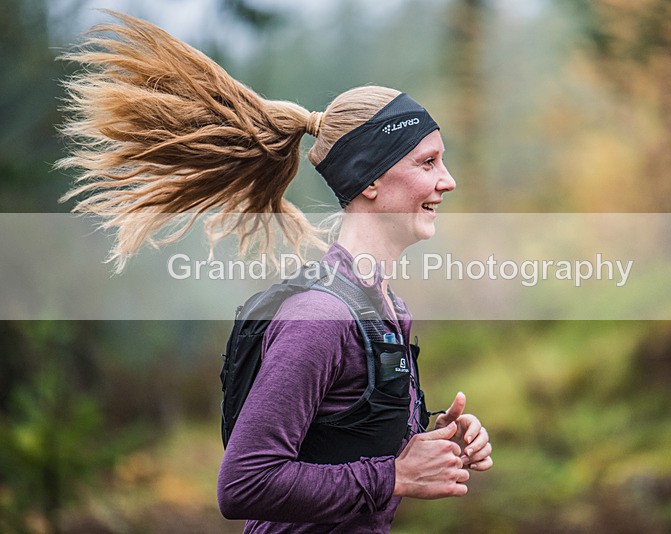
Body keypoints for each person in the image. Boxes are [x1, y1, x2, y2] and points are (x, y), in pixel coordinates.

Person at [57, 12, 492, 533]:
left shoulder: (383, 307)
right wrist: (396, 474)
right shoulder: (321, 317)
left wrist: (433, 440)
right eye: (428, 163)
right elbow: (243, 483)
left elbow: (338, 444)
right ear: (371, 180)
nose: (449, 181)